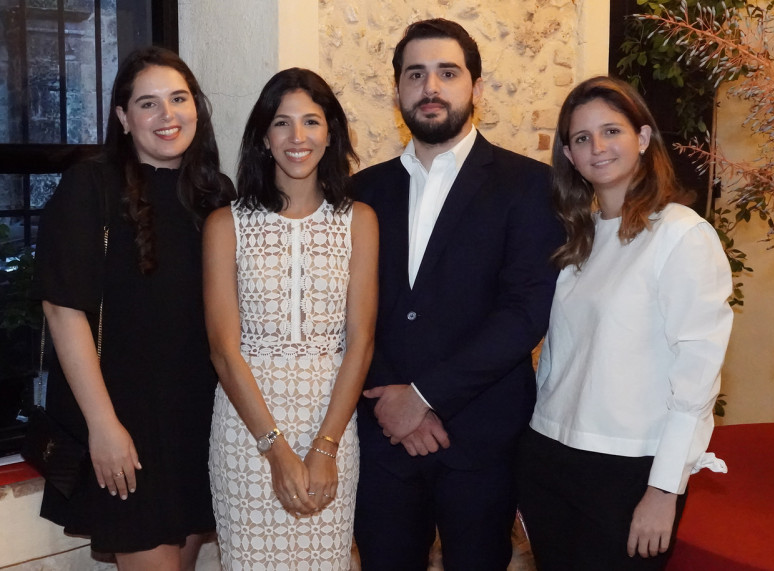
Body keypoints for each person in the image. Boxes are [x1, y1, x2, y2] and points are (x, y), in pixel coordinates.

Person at [352, 19, 563, 571]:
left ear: (477, 87)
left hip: (482, 440)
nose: (431, 87)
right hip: (382, 440)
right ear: (396, 89)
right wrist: (392, 401)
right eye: (415, 74)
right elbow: (344, 310)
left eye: (448, 72)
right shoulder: (360, 191)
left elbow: (524, 314)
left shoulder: (529, 186)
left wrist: (422, 397)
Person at [516, 76, 734, 570]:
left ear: (641, 138)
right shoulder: (579, 239)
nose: (598, 147)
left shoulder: (682, 235)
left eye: (611, 131)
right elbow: (559, 359)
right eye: (581, 138)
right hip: (550, 455)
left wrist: (664, 490)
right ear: (569, 157)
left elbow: (696, 378)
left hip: (628, 470)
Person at [31, 46, 234, 569]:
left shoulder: (215, 194)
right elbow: (62, 310)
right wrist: (103, 426)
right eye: (148, 104)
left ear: (197, 107)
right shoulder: (89, 186)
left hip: (200, 422)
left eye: (179, 99)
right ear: (123, 117)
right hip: (125, 426)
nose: (168, 116)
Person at [204, 67, 378, 570]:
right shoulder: (225, 224)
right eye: (282, 123)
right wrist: (275, 450)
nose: (297, 138)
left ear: (331, 134)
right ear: (264, 136)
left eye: (311, 122)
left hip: (332, 425)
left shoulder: (359, 221)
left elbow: (360, 343)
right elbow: (222, 349)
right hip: (247, 434)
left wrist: (325, 447)